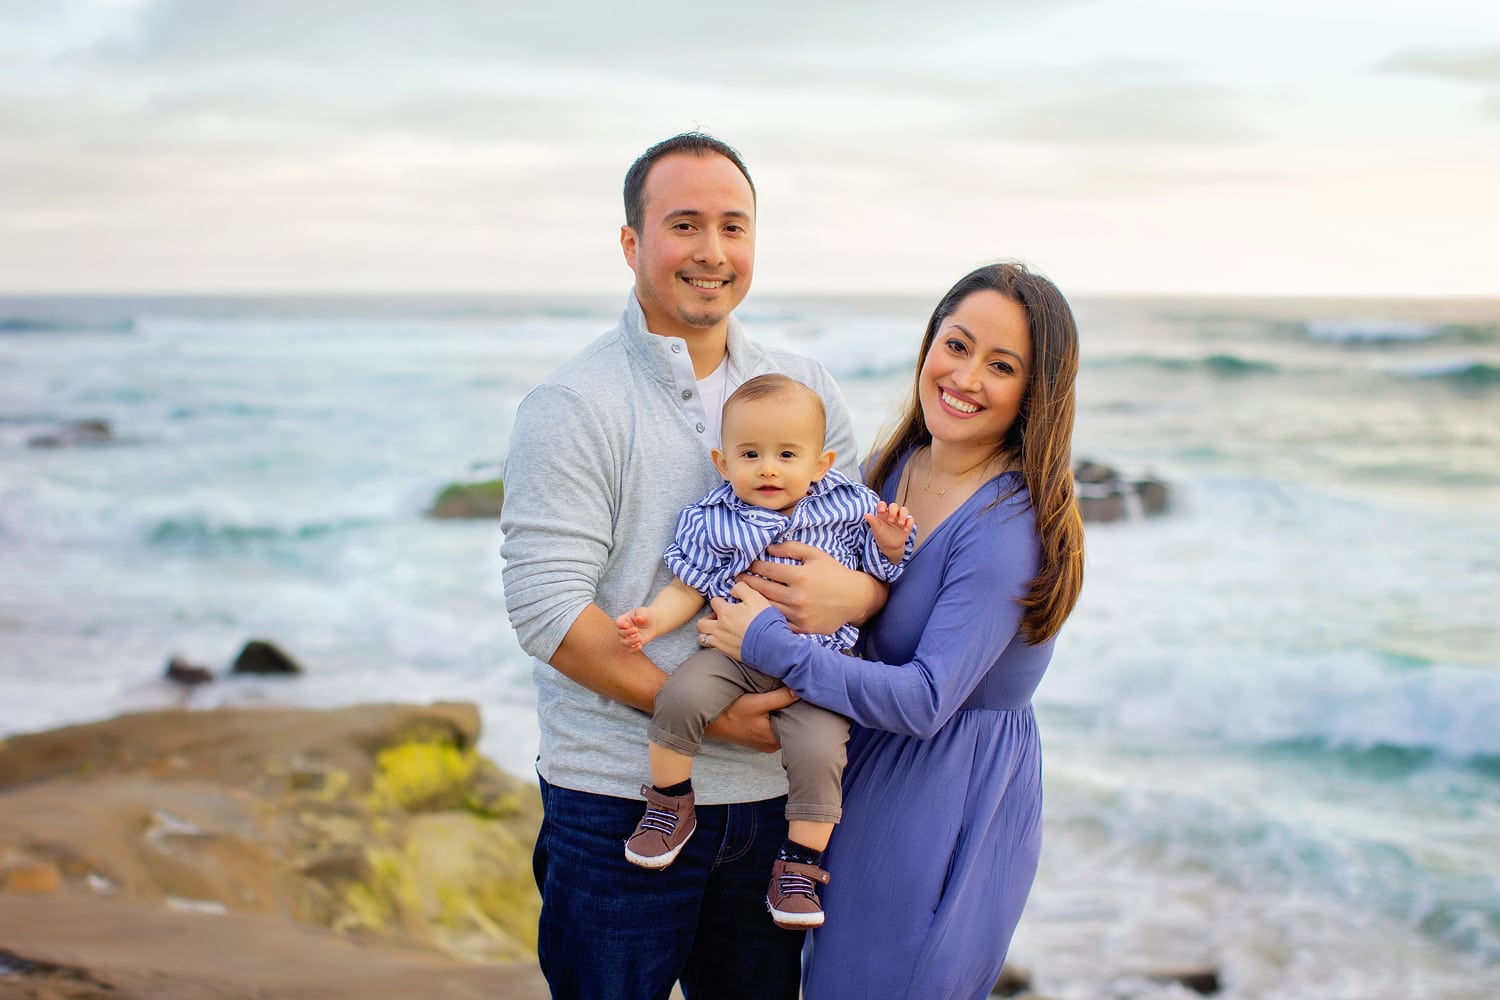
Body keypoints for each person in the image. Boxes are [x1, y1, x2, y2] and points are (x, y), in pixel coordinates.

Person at [498, 133, 886, 1000]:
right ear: (632, 243)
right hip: (621, 800)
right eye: (684, 225)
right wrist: (712, 721)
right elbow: (545, 610)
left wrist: (862, 590)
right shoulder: (572, 405)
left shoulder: (806, 385)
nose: (713, 252)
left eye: (734, 226)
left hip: (776, 808)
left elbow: (862, 552)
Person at [700, 261, 1086, 999]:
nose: (965, 377)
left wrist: (764, 642)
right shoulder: (888, 470)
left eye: (1001, 366)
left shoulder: (1006, 526)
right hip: (858, 774)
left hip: (945, 796)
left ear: (1034, 392)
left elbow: (926, 698)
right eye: (957, 344)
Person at [615, 373, 914, 931]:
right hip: (734, 656)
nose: (768, 468)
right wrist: (653, 620)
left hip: (819, 667)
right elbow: (689, 586)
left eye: (786, 455)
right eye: (750, 454)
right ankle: (668, 802)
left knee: (821, 752)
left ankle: (800, 866)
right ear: (722, 462)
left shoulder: (848, 507)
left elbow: (879, 572)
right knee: (679, 694)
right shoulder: (713, 518)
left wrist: (892, 541)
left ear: (822, 463)